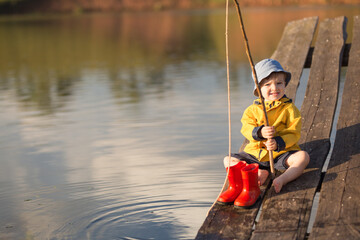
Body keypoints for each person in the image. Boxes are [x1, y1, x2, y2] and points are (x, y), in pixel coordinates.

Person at [218, 59, 310, 207]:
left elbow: (294, 131)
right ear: (258, 89)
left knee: (303, 157)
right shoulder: (252, 110)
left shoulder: (289, 109)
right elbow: (246, 128)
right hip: (256, 154)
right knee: (227, 159)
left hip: (280, 153)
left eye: (279, 83)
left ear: (284, 84)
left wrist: (278, 142)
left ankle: (282, 179)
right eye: (267, 84)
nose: (274, 88)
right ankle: (245, 181)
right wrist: (259, 132)